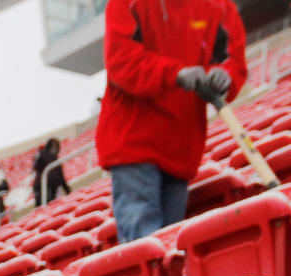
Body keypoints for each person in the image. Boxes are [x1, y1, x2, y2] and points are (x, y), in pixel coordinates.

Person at [96, 0, 247, 243]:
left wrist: (225, 76)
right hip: (135, 143)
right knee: (147, 249)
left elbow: (233, 61)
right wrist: (174, 74)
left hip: (179, 147)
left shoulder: (219, 7)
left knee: (171, 248)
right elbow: (121, 61)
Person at [33, 138, 70, 206]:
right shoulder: (42, 154)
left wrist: (68, 191)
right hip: (42, 187)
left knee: (50, 207)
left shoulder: (56, 161)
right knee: (42, 208)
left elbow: (61, 177)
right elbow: (36, 166)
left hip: (52, 188)